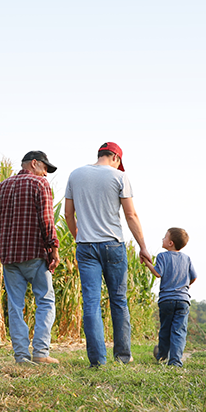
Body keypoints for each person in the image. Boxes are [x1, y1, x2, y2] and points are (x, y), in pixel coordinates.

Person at [64, 142, 151, 366]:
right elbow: (131, 215)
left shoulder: (75, 175)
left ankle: (97, 361)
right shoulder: (119, 177)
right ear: (115, 157)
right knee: (119, 300)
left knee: (90, 303)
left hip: (86, 246)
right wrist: (142, 246)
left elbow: (68, 214)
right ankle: (122, 357)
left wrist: (79, 237)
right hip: (113, 244)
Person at [0, 150, 61, 365]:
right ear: (34, 163)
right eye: (45, 169)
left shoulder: (1, 186)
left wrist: (0, 245)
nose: (46, 174)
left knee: (15, 305)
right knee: (46, 301)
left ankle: (21, 355)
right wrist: (53, 247)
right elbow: (47, 220)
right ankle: (40, 352)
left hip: (10, 256)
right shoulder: (39, 185)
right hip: (34, 254)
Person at [143, 227, 197, 367]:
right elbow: (194, 277)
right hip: (183, 300)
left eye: (165, 237)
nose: (163, 239)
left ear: (171, 243)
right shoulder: (187, 259)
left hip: (166, 300)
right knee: (179, 331)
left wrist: (146, 261)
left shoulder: (162, 256)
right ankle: (175, 361)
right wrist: (186, 286)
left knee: (165, 329)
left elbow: (157, 273)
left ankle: (162, 356)